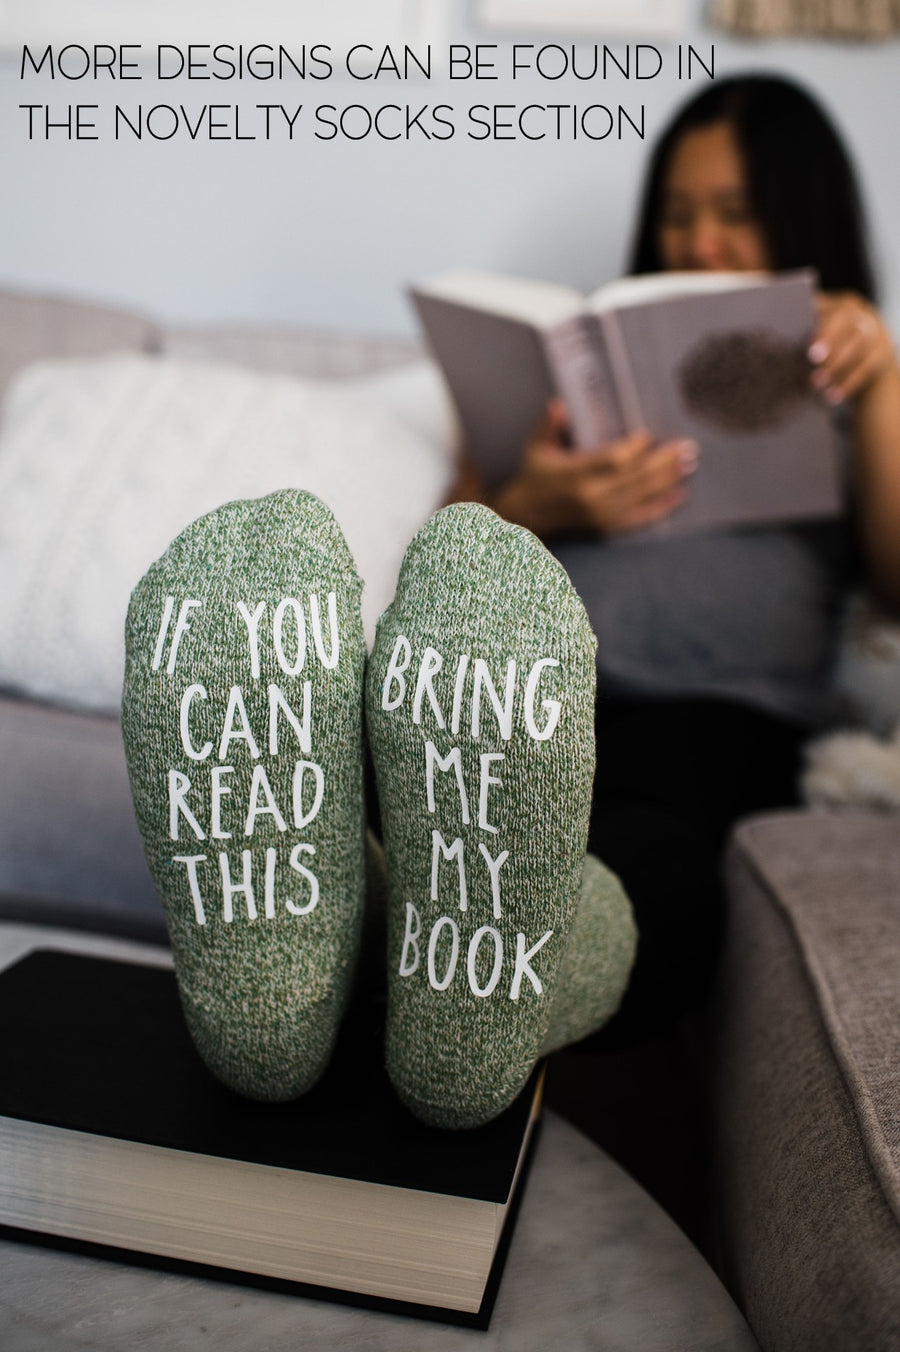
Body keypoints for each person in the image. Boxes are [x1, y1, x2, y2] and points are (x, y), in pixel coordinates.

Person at [451, 74, 900, 1037]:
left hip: (716, 722)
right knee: (433, 749)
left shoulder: (859, 386)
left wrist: (883, 382)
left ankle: (485, 968)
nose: (699, 245)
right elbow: (446, 550)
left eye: (736, 215)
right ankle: (417, 925)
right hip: (534, 689)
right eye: (679, 215)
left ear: (803, 218)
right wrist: (532, 504)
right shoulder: (577, 375)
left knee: (664, 869)